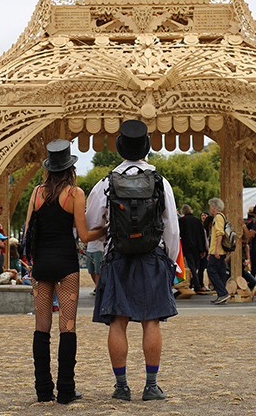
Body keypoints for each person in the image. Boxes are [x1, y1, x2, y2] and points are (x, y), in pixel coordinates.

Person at [86, 120, 179, 402]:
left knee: (118, 321)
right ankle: (151, 385)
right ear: (146, 148)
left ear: (120, 150)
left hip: (118, 257)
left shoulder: (105, 183)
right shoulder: (161, 182)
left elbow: (93, 226)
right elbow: (171, 228)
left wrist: (101, 259)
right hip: (152, 257)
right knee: (152, 322)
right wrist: (170, 262)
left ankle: (121, 386)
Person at [25, 139, 107, 405]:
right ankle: (66, 390)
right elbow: (84, 236)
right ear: (70, 167)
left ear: (49, 168)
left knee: (41, 327)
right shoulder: (75, 194)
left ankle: (43, 390)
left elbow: (28, 232)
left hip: (42, 265)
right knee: (67, 327)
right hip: (66, 266)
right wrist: (105, 230)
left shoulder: (36, 193)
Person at [207, 198, 230, 304]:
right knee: (221, 273)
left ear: (213, 207)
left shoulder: (218, 218)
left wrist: (216, 250)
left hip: (217, 251)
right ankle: (222, 295)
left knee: (211, 271)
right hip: (220, 251)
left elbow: (219, 234)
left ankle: (222, 293)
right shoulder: (223, 217)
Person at [178, 204, 206, 293]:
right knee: (195, 266)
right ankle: (196, 283)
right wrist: (203, 249)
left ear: (183, 212)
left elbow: (179, 234)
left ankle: (196, 285)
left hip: (187, 246)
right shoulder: (197, 221)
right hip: (197, 247)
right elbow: (202, 236)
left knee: (191, 266)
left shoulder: (181, 221)